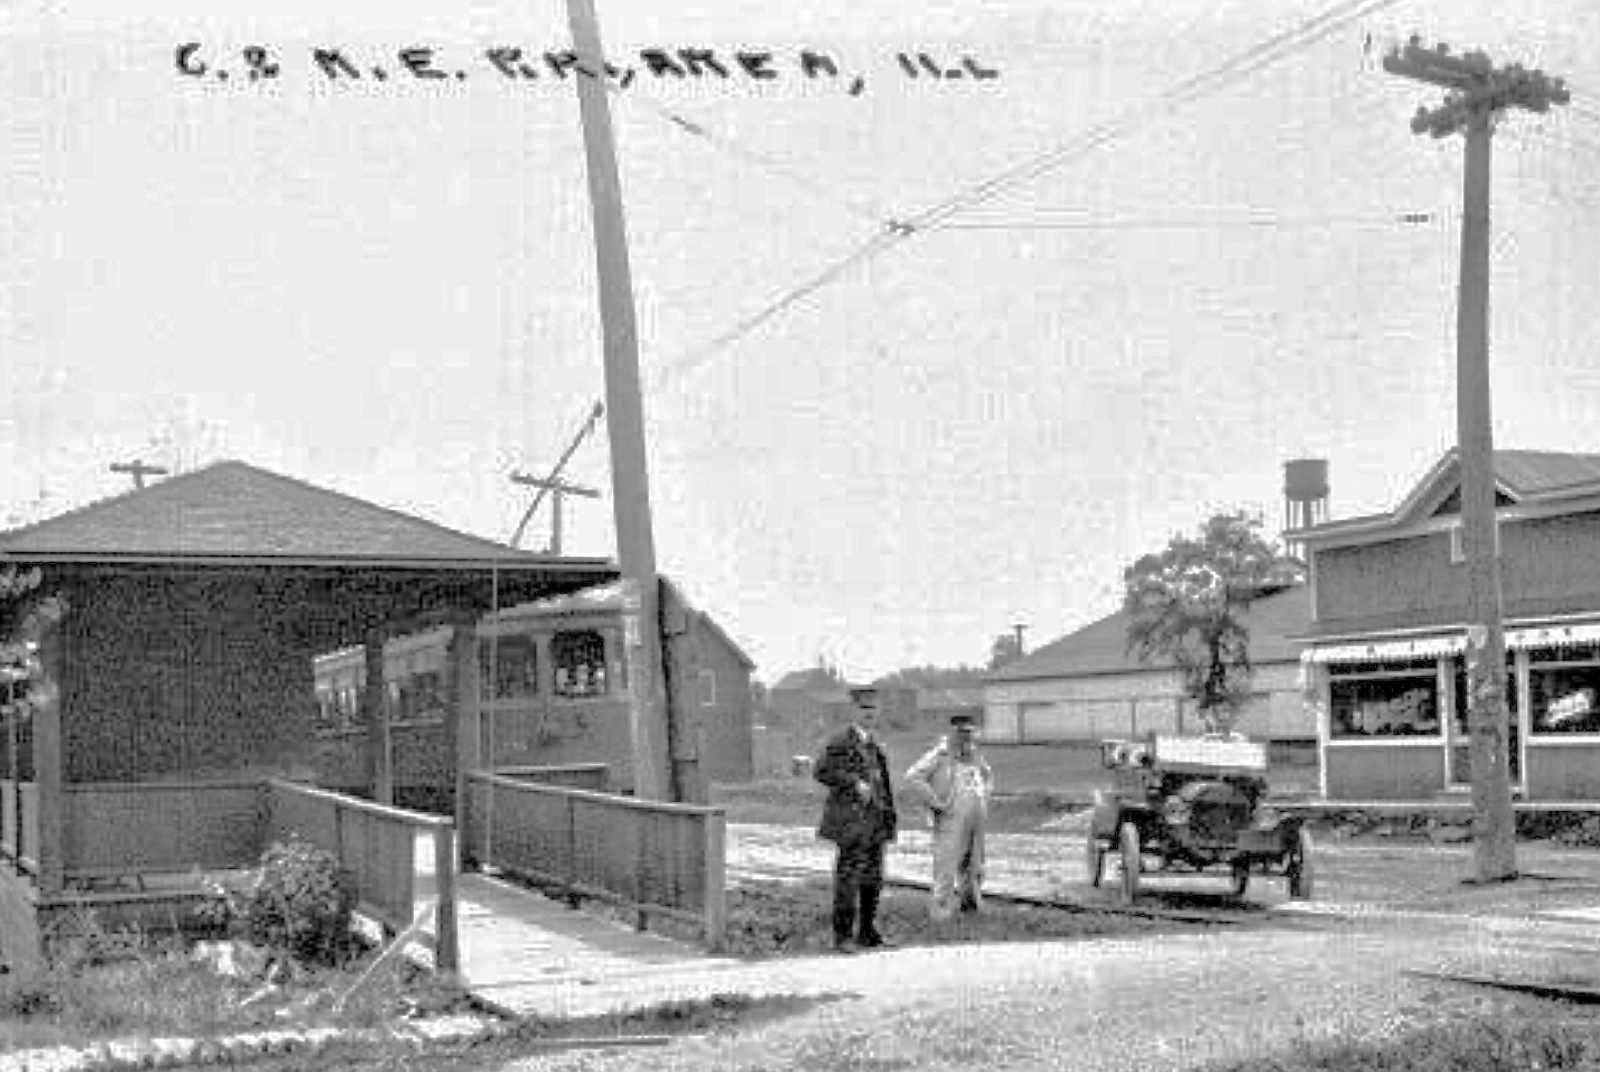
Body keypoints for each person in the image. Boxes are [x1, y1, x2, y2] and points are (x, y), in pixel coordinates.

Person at [814, 687, 898, 953]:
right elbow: (821, 771)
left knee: (873, 878)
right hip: (850, 823)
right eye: (864, 708)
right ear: (853, 710)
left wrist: (888, 818)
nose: (869, 713)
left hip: (874, 822)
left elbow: (883, 786)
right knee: (848, 879)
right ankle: (843, 937)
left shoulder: (874, 745)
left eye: (873, 708)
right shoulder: (841, 741)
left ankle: (867, 932)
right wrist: (853, 783)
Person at [905, 712, 994, 922]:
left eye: (969, 732)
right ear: (952, 732)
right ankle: (940, 910)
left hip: (975, 816)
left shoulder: (975, 755)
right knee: (947, 863)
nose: (966, 736)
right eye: (961, 732)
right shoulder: (940, 754)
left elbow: (988, 776)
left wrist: (984, 796)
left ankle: (971, 904)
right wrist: (935, 801)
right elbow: (913, 777)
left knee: (974, 862)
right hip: (951, 816)